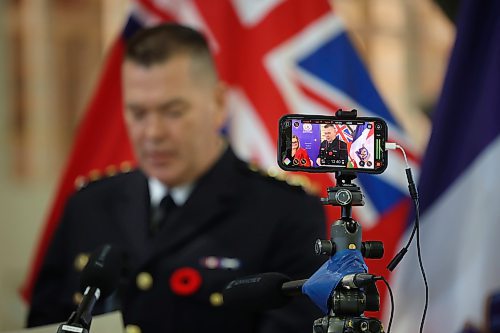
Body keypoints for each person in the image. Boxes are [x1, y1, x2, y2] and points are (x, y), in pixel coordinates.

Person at [27, 24, 326, 333]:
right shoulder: (89, 205)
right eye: (138, 113)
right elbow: (46, 322)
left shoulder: (285, 211)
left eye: (173, 111)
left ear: (219, 104)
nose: (153, 133)